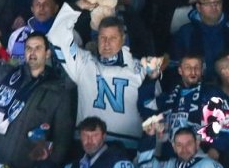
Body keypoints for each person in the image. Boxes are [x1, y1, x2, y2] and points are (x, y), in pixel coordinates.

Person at [47, 10, 162, 150]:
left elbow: (155, 113)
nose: (107, 43)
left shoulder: (141, 69)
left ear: (123, 39)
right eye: (103, 38)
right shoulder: (84, 63)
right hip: (86, 147)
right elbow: (57, 36)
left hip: (128, 150)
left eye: (113, 38)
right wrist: (77, 7)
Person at [0, 30, 71, 168]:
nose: (32, 52)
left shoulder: (58, 91)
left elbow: (62, 139)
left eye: (38, 48)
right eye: (28, 48)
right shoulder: (5, 75)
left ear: (47, 53)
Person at [139, 53, 229, 159]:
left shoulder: (212, 94)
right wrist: (151, 79)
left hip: (199, 160)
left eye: (197, 67)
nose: (193, 72)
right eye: (188, 67)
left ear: (202, 70)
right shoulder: (169, 96)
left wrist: (216, 149)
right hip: (170, 161)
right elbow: (146, 107)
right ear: (180, 70)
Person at [137, 122, 229, 168]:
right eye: (179, 145)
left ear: (197, 144)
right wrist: (149, 137)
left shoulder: (208, 166)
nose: (184, 149)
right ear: (174, 147)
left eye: (189, 144)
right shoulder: (168, 166)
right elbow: (145, 167)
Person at [59, 117, 136, 168]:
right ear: (80, 137)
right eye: (85, 135)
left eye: (95, 135)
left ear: (104, 136)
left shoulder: (119, 163)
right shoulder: (72, 166)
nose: (89, 140)